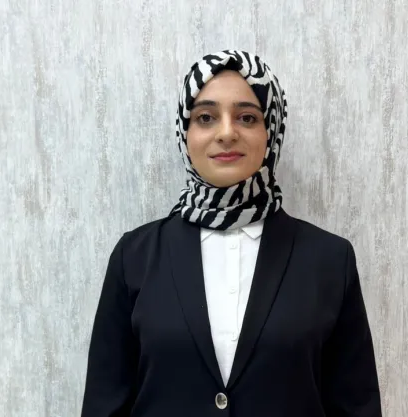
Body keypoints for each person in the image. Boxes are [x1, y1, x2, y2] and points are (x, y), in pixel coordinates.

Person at [81, 50, 382, 417]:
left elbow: (356, 407)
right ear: (185, 131)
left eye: (247, 117)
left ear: (271, 130)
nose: (226, 133)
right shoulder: (135, 257)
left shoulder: (330, 260)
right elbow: (104, 404)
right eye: (206, 117)